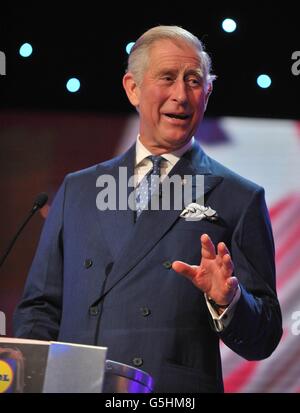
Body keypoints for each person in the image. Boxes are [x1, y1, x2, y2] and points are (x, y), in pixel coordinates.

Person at [13, 25, 282, 393]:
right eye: (167, 78)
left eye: (193, 81)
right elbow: (39, 309)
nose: (181, 95)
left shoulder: (239, 198)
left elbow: (263, 338)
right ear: (133, 88)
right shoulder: (78, 189)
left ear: (208, 93)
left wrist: (229, 300)